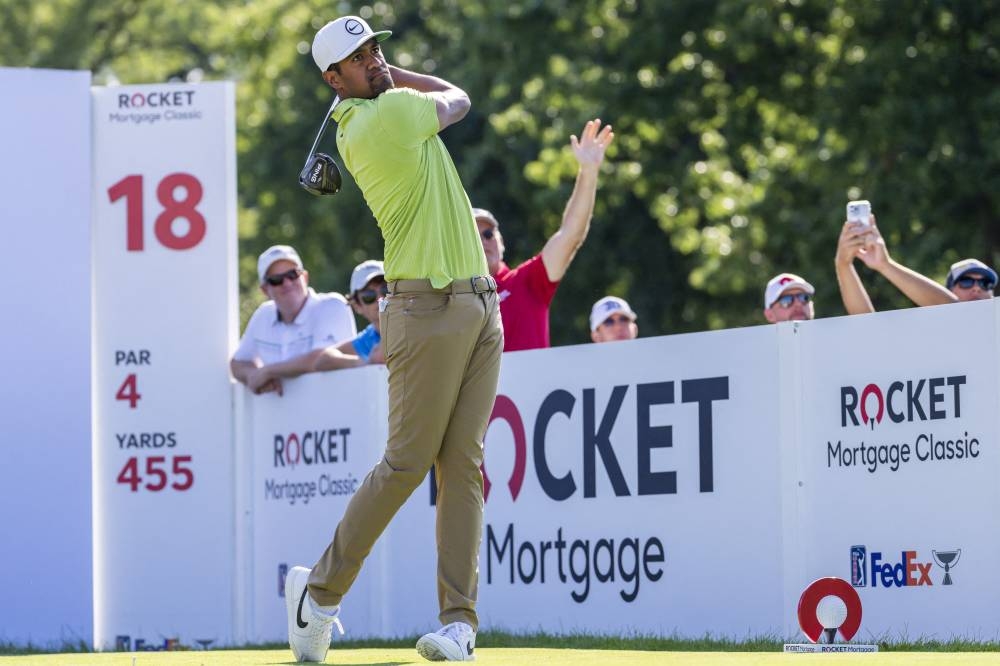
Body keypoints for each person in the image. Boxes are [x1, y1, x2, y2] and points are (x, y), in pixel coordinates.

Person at [283, 15, 502, 663]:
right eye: (359, 57)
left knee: (462, 465)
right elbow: (458, 96)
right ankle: (319, 595)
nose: (376, 60)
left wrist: (380, 75)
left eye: (376, 48)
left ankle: (458, 624)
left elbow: (444, 96)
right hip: (424, 307)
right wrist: (393, 79)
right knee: (408, 462)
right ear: (333, 79)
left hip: (478, 301)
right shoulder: (381, 119)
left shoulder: (381, 106)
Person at [474, 119, 614, 352]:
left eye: (488, 234)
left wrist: (588, 173)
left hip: (531, 390)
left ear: (501, 242)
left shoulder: (526, 282)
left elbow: (570, 234)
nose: (483, 241)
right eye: (473, 236)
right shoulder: (451, 300)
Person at [240, 260, 388, 392]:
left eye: (386, 290)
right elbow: (323, 359)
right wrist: (366, 363)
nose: (380, 299)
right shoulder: (369, 337)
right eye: (369, 296)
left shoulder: (410, 324)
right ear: (357, 306)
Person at [231, 245, 356, 395]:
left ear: (305, 277)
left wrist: (268, 372)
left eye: (292, 274)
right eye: (276, 280)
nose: (287, 283)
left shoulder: (333, 305)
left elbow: (321, 358)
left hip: (336, 410)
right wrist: (252, 375)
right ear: (265, 290)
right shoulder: (263, 314)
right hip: (284, 417)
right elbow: (237, 363)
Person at [834, 214, 992, 313]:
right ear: (949, 290)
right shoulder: (932, 332)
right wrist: (843, 264)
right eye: (966, 282)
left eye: (985, 283)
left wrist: (885, 265)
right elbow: (866, 328)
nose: (977, 288)